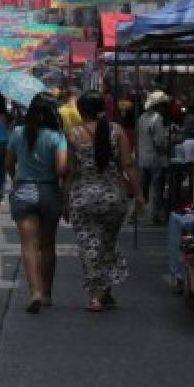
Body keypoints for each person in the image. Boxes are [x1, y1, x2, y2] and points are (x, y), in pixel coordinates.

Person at [64, 91, 141, 312]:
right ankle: (104, 291)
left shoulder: (74, 134)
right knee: (107, 244)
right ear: (103, 109)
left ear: (80, 111)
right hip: (113, 197)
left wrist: (65, 200)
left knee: (89, 246)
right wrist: (139, 194)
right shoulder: (116, 131)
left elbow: (70, 171)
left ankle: (95, 295)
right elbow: (127, 166)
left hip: (83, 197)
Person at [6, 94, 67, 312]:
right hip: (49, 190)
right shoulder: (57, 137)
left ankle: (35, 292)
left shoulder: (18, 133)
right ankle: (48, 293)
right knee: (48, 245)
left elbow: (9, 164)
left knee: (28, 246)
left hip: (24, 190)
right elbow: (61, 169)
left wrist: (18, 181)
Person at [136, 91, 172, 224]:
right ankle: (152, 216)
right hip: (154, 158)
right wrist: (165, 150)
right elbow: (160, 142)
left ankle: (135, 213)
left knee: (141, 186)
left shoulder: (141, 117)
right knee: (155, 188)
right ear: (159, 106)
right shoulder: (157, 119)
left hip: (142, 156)